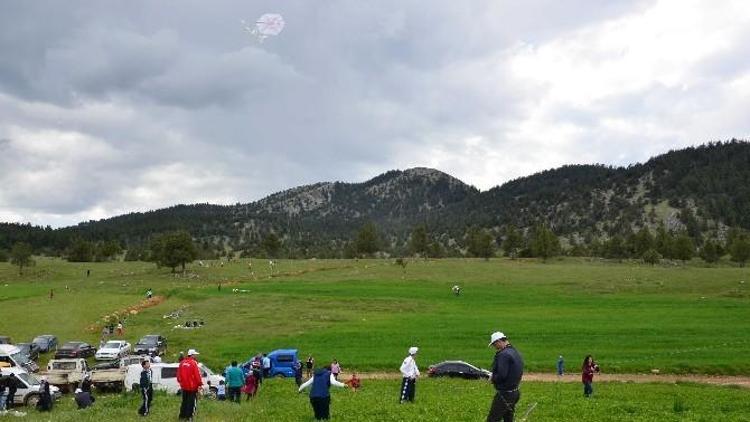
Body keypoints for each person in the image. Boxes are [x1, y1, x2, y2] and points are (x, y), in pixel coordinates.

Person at [487, 331, 524, 422]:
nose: (494, 347)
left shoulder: (503, 355)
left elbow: (501, 375)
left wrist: (492, 378)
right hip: (515, 392)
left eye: (494, 344)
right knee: (508, 419)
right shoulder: (515, 352)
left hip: (505, 394)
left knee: (492, 420)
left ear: (499, 341)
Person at [176, 349, 203, 420]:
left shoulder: (182, 362)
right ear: (192, 355)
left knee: (184, 401)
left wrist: (181, 382)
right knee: (191, 402)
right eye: (195, 355)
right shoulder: (194, 363)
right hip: (192, 387)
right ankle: (189, 417)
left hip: (184, 386)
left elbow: (178, 375)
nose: (196, 356)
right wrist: (200, 384)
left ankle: (181, 416)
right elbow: (197, 375)